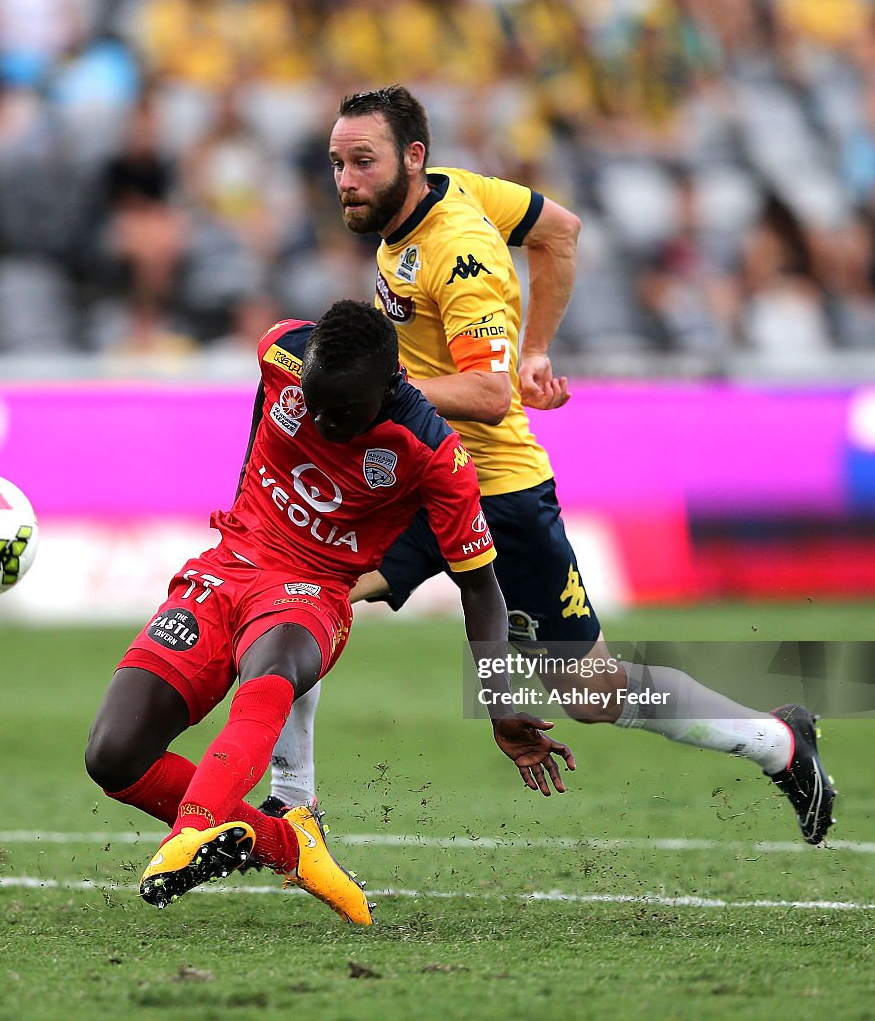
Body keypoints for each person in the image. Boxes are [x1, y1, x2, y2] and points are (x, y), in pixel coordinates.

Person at [260, 84, 836, 847]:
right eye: (337, 163)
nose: (345, 180)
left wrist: (369, 388)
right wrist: (537, 348)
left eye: (362, 162)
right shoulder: (448, 192)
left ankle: (780, 744)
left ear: (412, 157)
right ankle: (291, 808)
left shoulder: (458, 250)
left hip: (496, 494)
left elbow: (489, 396)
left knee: (590, 694)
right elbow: (559, 230)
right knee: (299, 589)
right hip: (416, 474)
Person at [84, 298, 577, 924]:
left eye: (341, 413)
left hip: (314, 590)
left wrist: (499, 703)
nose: (320, 421)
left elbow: (480, 588)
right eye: (311, 404)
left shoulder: (434, 452)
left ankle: (195, 829)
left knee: (277, 659)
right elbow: (268, 406)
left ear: (389, 386)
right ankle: (287, 841)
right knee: (112, 755)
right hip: (229, 563)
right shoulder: (280, 351)